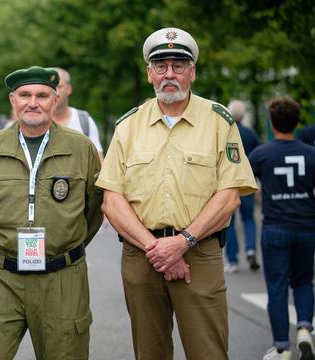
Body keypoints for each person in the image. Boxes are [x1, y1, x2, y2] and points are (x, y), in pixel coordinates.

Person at [96, 28, 257, 360]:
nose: (169, 73)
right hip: (142, 258)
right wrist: (157, 249)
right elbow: (112, 201)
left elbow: (229, 197)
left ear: (192, 72)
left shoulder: (219, 123)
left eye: (179, 65)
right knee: (149, 354)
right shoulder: (128, 126)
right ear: (149, 73)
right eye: (161, 65)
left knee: (208, 353)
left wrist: (182, 242)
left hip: (199, 255)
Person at [0, 66, 103, 359]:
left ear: (55, 101)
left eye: (42, 95)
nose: (33, 102)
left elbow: (94, 210)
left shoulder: (81, 148)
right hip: (2, 278)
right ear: (12, 101)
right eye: (25, 95)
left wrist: (64, 244)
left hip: (62, 278)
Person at [248, 97, 315, 360]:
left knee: (276, 287)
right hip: (306, 226)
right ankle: (304, 329)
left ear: (273, 122)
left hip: (275, 227)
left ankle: (281, 347)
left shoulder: (262, 154)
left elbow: (244, 182)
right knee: (303, 282)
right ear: (297, 122)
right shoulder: (311, 154)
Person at [224, 100, 261, 273]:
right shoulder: (251, 134)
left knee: (229, 222)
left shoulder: (225, 131)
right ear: (243, 115)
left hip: (229, 183)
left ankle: (232, 260)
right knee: (248, 219)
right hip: (247, 182)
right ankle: (251, 249)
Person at [53, 67, 104, 160]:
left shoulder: (84, 121)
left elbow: (99, 165)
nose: (55, 92)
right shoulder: (37, 122)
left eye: (59, 86)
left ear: (68, 89)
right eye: (51, 87)